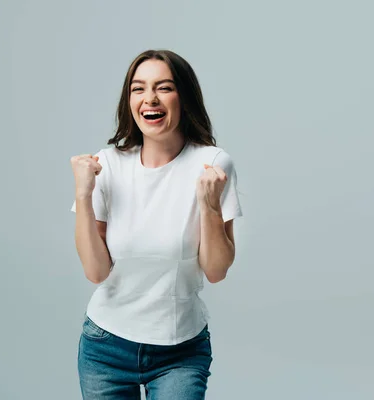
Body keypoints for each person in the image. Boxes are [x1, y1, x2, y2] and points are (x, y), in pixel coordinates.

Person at [69, 49, 243, 399]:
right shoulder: (108, 165)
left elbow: (216, 270)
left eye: (164, 87)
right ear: (129, 100)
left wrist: (209, 205)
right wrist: (84, 194)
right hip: (106, 347)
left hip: (180, 349)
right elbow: (96, 272)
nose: (150, 98)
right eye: (138, 88)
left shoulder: (211, 164)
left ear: (184, 97)